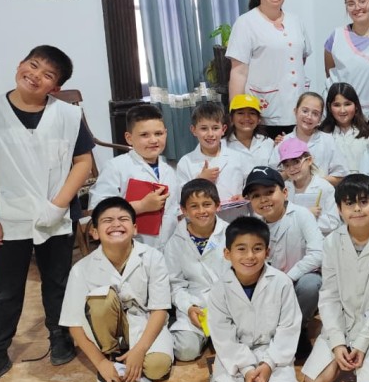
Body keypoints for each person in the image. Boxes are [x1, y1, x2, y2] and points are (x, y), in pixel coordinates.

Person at [0, 45, 93, 382]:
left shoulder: (67, 116)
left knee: (58, 281)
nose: (35, 76)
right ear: (20, 64)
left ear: (55, 86)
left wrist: (59, 204)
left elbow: (83, 161)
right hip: (9, 215)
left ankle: (59, 335)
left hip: (56, 215)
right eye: (32, 66)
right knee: (3, 291)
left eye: (47, 75)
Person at [302, 174, 369, 382]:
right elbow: (329, 296)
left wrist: (363, 340)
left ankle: (368, 359)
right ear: (339, 209)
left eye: (364, 202)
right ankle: (344, 353)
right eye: (349, 203)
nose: (357, 209)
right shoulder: (332, 242)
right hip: (344, 321)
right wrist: (338, 342)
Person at [59, 197, 173, 382]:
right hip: (104, 333)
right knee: (101, 299)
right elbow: (74, 324)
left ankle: (130, 357)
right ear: (95, 232)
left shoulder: (153, 257)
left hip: (143, 324)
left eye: (123, 219)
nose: (116, 224)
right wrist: (100, 363)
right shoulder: (81, 269)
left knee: (157, 367)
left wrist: (140, 350)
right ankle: (111, 356)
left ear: (135, 229)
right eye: (107, 220)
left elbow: (160, 308)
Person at [206, 216, 301, 382]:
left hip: (273, 353)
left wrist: (267, 366)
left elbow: (289, 328)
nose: (250, 256)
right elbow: (223, 337)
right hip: (236, 355)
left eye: (257, 249)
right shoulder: (219, 289)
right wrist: (248, 371)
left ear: (267, 252)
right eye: (241, 249)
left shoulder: (282, 283)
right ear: (227, 253)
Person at [243, 166, 322, 359]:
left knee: (311, 284)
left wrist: (288, 278)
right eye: (256, 196)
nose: (263, 199)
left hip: (296, 282)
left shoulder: (301, 215)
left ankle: (298, 329)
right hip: (267, 286)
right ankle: (273, 332)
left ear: (285, 192)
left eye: (270, 192)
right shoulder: (253, 225)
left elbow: (318, 253)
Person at [227, 0, 312, 138]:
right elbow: (238, 73)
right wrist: (236, 113)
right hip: (263, 114)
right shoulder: (245, 23)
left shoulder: (295, 21)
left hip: (298, 110)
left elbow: (301, 59)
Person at [89, 103, 180, 249]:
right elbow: (99, 209)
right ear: (129, 138)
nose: (153, 140)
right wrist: (141, 206)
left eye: (158, 133)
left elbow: (176, 210)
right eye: (144, 135)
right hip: (131, 246)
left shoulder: (169, 170)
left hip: (169, 247)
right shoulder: (116, 167)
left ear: (166, 133)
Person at [163, 179, 229, 362]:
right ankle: (197, 336)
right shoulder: (175, 243)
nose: (201, 211)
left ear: (217, 205)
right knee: (186, 350)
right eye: (194, 206)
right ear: (184, 210)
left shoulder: (231, 233)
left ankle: (216, 336)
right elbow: (175, 285)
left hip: (229, 303)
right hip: (196, 306)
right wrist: (189, 307)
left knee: (239, 344)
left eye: (207, 204)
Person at [176, 100, 249, 203]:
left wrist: (244, 196)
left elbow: (250, 187)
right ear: (193, 130)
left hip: (237, 211)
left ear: (223, 129)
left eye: (215, 128)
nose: (210, 134)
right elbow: (181, 198)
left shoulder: (238, 157)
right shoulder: (186, 162)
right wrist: (200, 180)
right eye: (204, 128)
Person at [268, 92, 347, 185]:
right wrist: (291, 169)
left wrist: (313, 182)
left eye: (315, 113)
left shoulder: (328, 141)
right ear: (295, 111)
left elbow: (341, 176)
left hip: (321, 192)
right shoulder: (283, 141)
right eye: (305, 111)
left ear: (320, 119)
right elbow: (271, 178)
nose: (309, 116)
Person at [277, 136, 339, 236]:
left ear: (309, 160)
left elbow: (333, 222)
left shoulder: (325, 187)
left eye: (296, 162)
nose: (292, 169)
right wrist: (305, 214)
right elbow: (278, 220)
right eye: (287, 165)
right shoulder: (283, 189)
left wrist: (303, 219)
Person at [319, 82, 369, 173]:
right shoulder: (321, 133)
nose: (342, 110)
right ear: (329, 107)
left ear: (356, 106)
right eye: (337, 105)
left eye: (347, 104)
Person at [225, 93, 274, 167]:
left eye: (252, 113)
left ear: (259, 119)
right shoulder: (222, 145)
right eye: (240, 113)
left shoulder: (268, 143)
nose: (247, 118)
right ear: (231, 118)